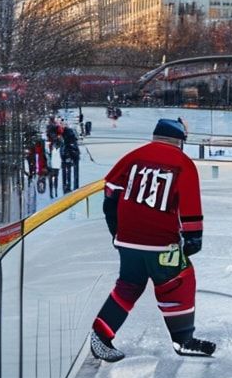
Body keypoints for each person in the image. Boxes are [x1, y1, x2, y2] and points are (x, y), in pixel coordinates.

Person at [90, 118, 214, 362]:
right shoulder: (182, 163)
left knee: (128, 286)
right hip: (161, 243)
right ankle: (183, 339)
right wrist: (193, 236)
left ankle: (101, 334)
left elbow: (110, 192)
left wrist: (117, 231)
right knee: (179, 281)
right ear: (179, 140)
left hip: (128, 242)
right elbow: (189, 204)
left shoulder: (133, 156)